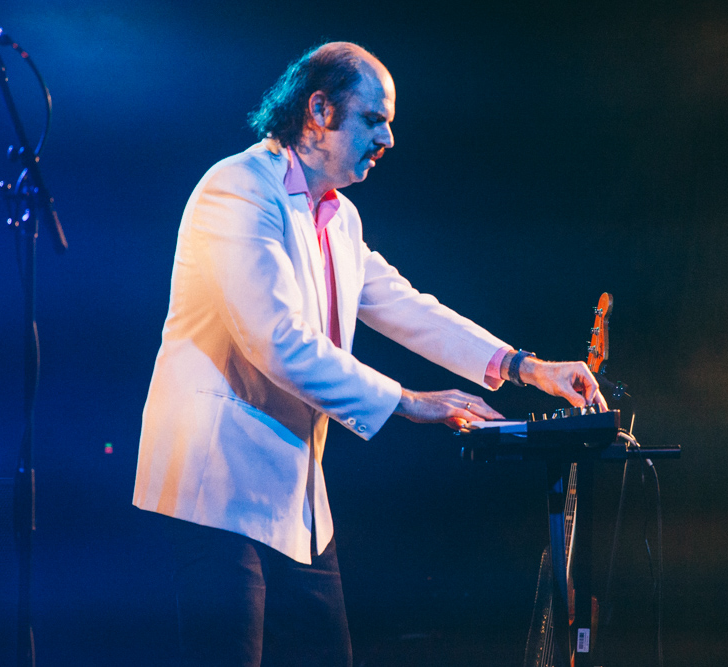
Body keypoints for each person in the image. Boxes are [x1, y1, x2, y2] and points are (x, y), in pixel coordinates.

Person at [132, 41, 607, 667]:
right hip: (216, 488)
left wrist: (525, 367)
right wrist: (409, 401)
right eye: (373, 119)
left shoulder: (340, 217)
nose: (387, 139)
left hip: (296, 501)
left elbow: (405, 305)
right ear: (318, 111)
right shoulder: (237, 189)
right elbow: (276, 339)